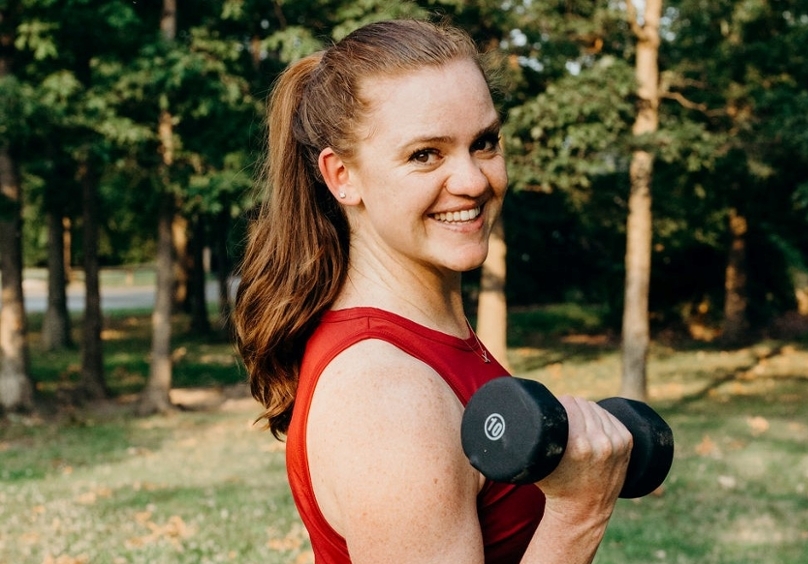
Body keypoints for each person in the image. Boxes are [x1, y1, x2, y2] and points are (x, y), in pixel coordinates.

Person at [233, 18, 632, 564]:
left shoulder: (427, 345)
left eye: (484, 143)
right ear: (341, 175)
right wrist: (579, 512)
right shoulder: (387, 396)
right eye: (426, 154)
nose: (472, 181)